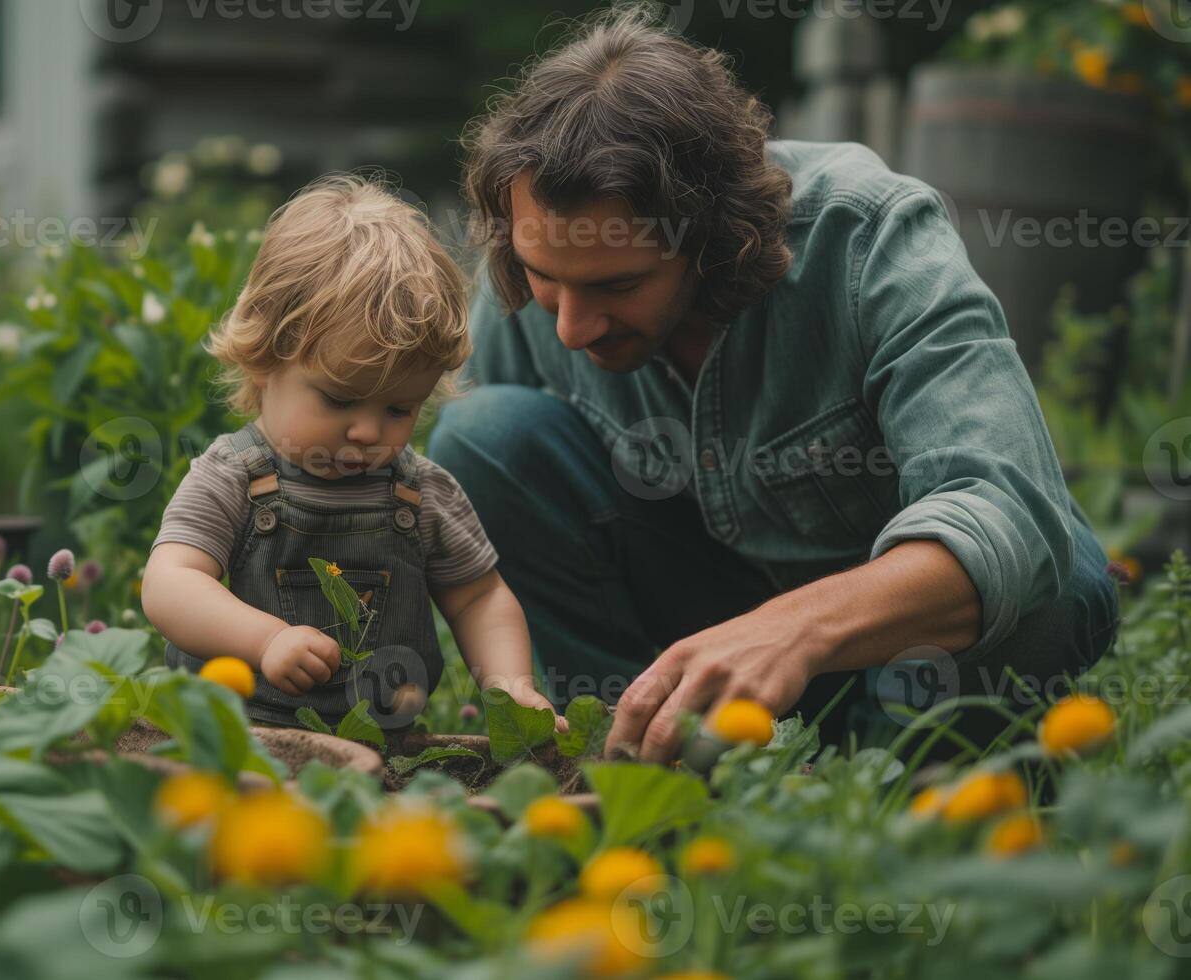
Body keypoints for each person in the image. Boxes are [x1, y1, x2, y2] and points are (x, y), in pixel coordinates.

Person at [428, 4, 1119, 763]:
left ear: (715, 237)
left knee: (1060, 582)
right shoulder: (538, 283)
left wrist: (799, 628)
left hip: (902, 652)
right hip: (696, 649)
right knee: (482, 435)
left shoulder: (868, 237)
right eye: (546, 276)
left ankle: (893, 776)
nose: (570, 327)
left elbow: (1007, 509)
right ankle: (638, 762)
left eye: (619, 285)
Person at [141, 174, 560, 732]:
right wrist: (266, 639)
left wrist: (511, 688)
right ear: (265, 360)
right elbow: (170, 583)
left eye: (398, 410)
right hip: (240, 738)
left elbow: (479, 597)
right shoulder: (234, 478)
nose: (367, 432)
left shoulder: (422, 492)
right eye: (340, 399)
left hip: (388, 747)